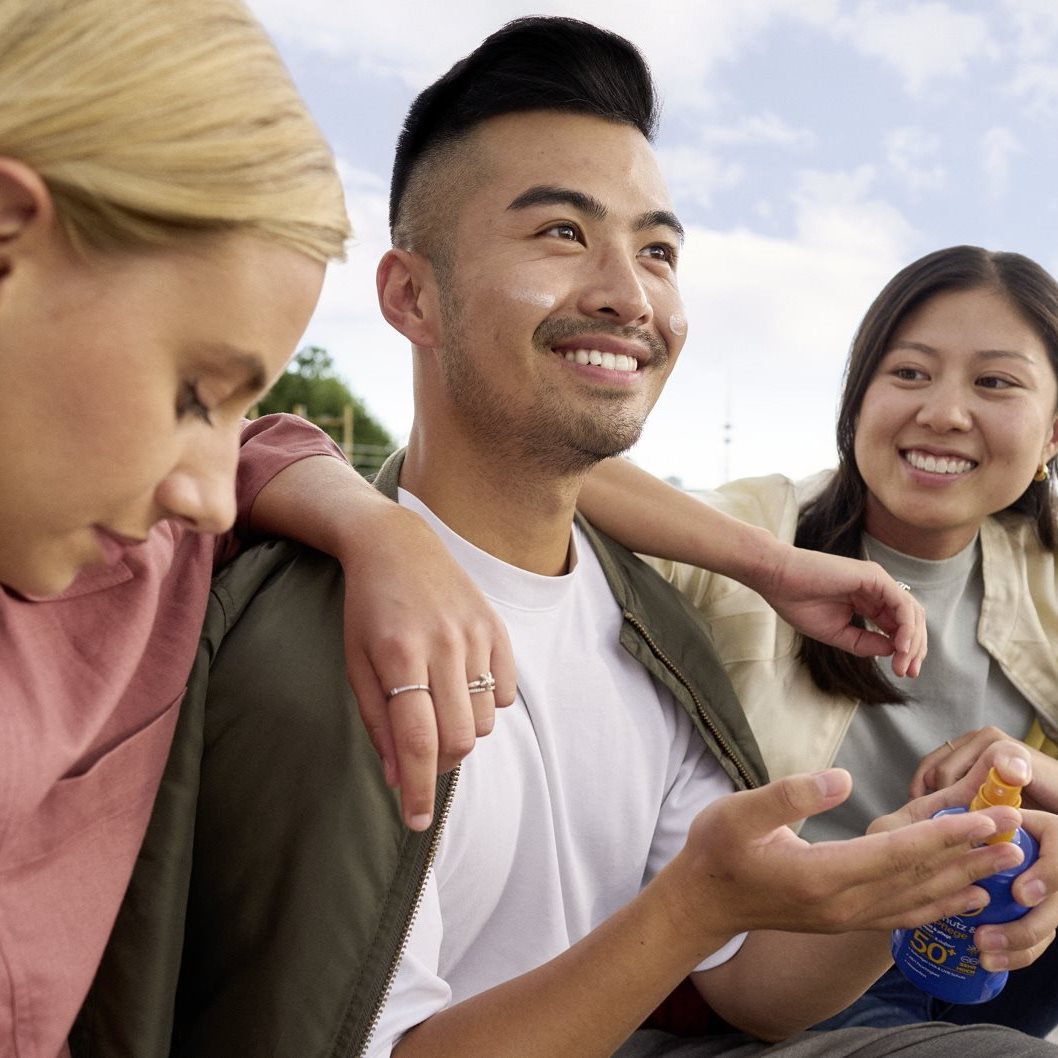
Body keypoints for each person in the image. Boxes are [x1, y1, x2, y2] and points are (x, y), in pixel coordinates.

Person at [75, 17, 1058, 1058]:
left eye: (658, 250)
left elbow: (752, 994)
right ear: (410, 294)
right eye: (559, 233)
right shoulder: (333, 637)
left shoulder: (651, 623)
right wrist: (683, 910)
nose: (627, 294)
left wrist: (906, 875)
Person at [0, 1, 527, 1055]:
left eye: (234, 406)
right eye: (196, 389)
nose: (207, 495)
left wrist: (382, 530)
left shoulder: (131, 562)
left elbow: (269, 447)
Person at [578, 244, 1058, 1036]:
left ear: (1049, 437)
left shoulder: (1044, 568)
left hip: (988, 944)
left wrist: (1035, 773)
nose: (942, 411)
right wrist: (767, 565)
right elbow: (539, 473)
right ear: (856, 398)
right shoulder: (755, 530)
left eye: (995, 382)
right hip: (791, 973)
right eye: (908, 373)